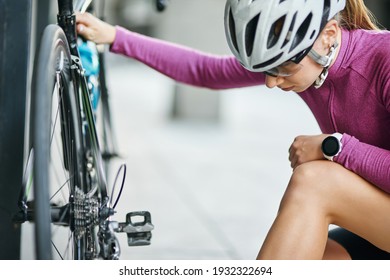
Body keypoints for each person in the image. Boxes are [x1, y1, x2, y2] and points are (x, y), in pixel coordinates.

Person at [76, 0, 390, 260]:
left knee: (316, 182)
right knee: (304, 252)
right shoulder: (305, 58)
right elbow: (206, 70)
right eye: (266, 70)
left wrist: (334, 147)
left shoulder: (383, 58)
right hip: (374, 227)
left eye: (282, 69)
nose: (271, 82)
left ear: (328, 35)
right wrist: (117, 38)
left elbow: (333, 159)